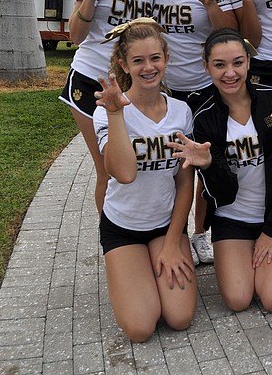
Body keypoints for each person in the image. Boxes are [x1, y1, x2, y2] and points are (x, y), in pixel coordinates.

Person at [169, 28, 272, 313]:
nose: (230, 73)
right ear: (206, 67)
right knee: (238, 299)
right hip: (232, 219)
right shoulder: (203, 118)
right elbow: (222, 194)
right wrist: (208, 166)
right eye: (219, 65)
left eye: (237, 63)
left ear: (249, 62)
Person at [93, 18, 197, 342]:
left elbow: (184, 184)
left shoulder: (181, 112)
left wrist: (171, 242)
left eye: (155, 58)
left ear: (166, 58)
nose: (148, 67)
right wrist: (115, 114)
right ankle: (132, 271)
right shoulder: (107, 110)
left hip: (165, 225)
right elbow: (123, 173)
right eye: (138, 60)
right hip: (123, 227)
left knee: (179, 317)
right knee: (141, 328)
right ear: (124, 64)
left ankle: (153, 264)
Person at [152, 0, 240, 266]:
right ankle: (170, 233)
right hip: (168, 93)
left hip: (205, 92)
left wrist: (210, 3)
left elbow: (231, 36)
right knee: (172, 167)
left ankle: (202, 233)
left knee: (204, 164)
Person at [59, 0, 155, 215]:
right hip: (90, 82)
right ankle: (111, 241)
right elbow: (75, 35)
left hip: (129, 87)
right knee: (107, 169)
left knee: (134, 165)